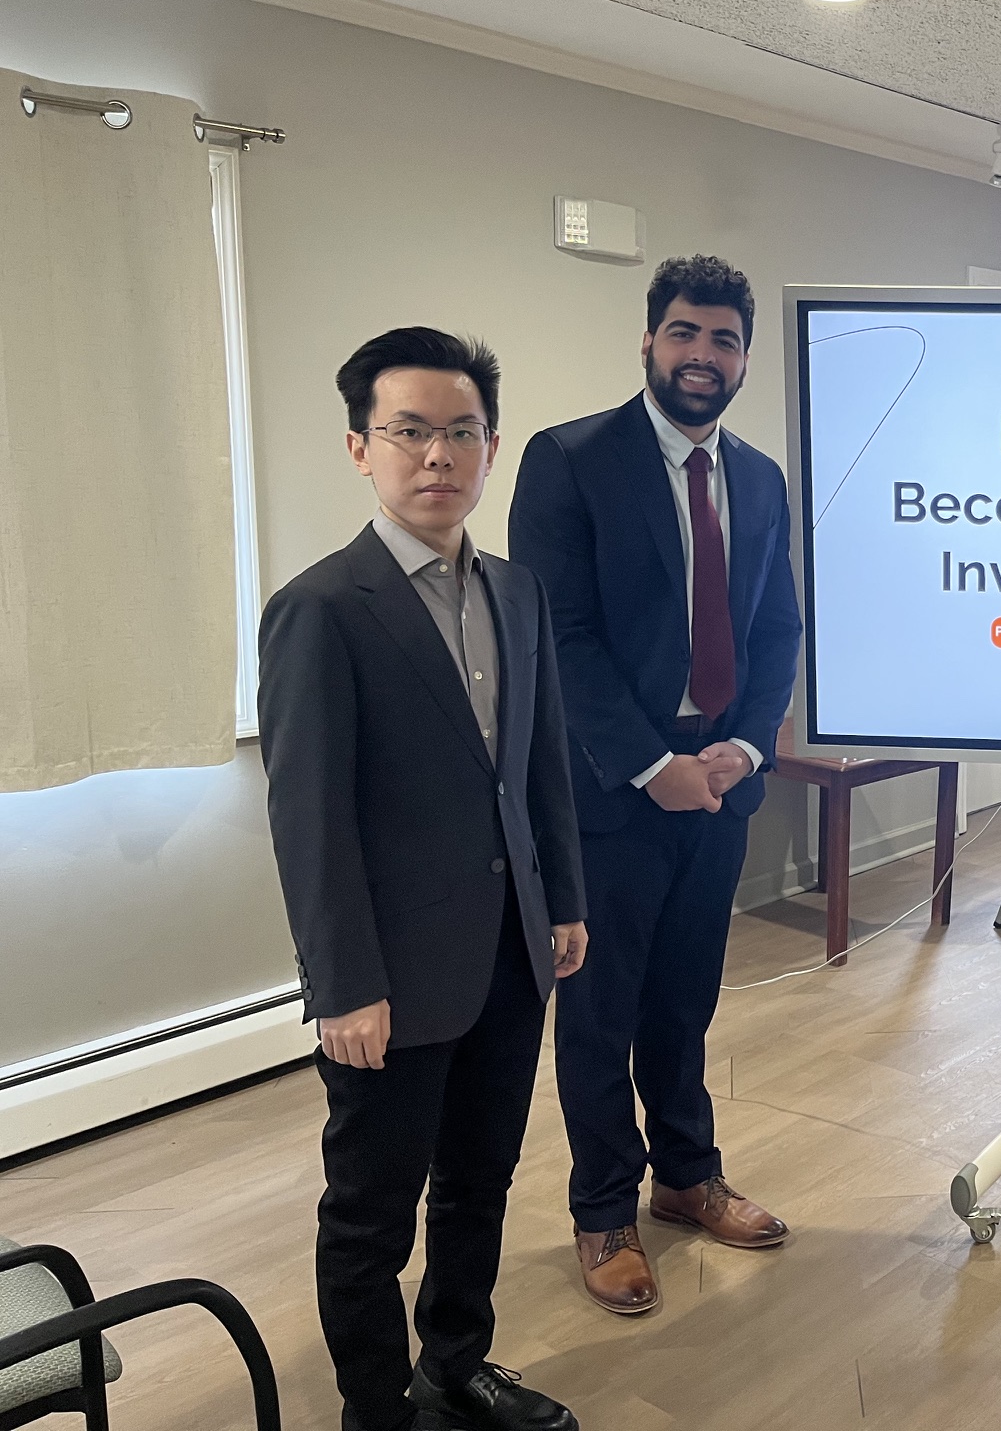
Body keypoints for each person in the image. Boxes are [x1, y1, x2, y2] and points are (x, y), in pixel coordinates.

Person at [259, 328, 588, 1431]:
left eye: (461, 432)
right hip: (389, 978)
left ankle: (455, 1361)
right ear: (360, 447)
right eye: (410, 432)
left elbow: (540, 765)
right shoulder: (323, 609)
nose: (437, 455)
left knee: (479, 1180)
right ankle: (374, 1410)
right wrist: (340, 984)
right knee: (370, 1213)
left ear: (489, 446)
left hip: (508, 950)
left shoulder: (518, 592)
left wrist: (566, 902)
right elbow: (309, 819)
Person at [510, 254, 802, 1315]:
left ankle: (686, 1175)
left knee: (685, 1002)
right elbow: (562, 638)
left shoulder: (761, 479)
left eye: (723, 340)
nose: (702, 355)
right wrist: (652, 765)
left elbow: (776, 630)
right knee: (600, 1013)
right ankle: (602, 1212)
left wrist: (746, 751)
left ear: (743, 359)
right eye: (684, 333)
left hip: (719, 791)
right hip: (608, 792)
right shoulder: (570, 460)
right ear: (649, 340)